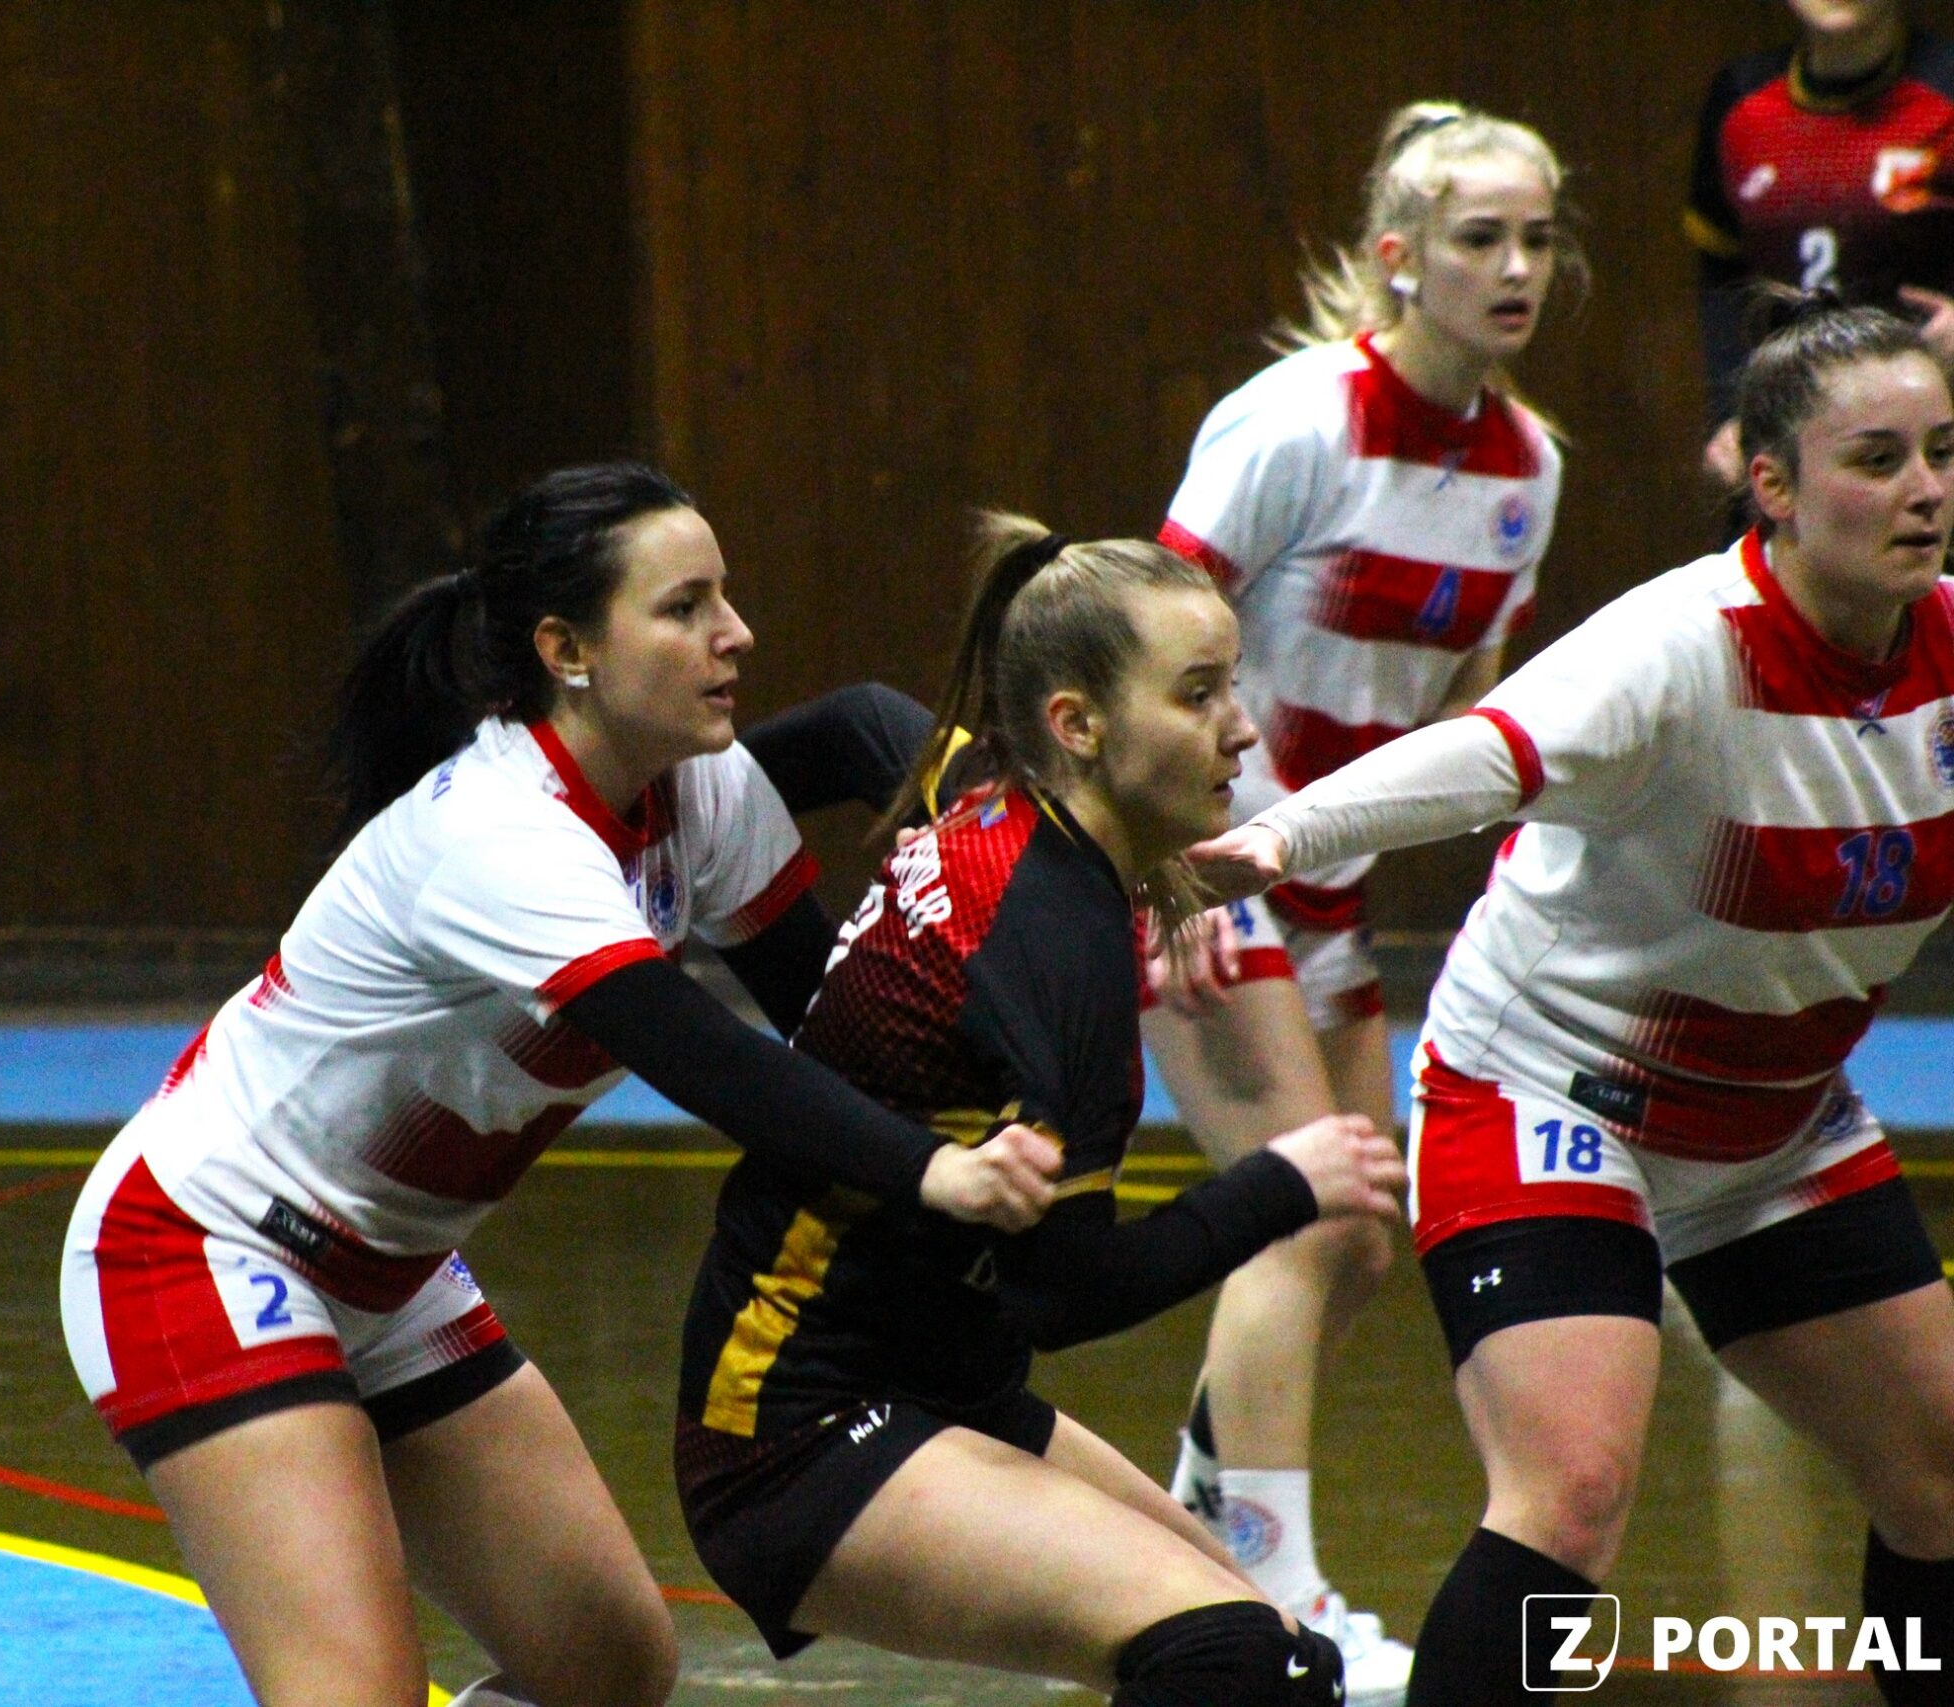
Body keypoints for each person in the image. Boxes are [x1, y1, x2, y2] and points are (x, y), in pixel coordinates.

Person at [56, 461, 1066, 1707]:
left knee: (605, 1669)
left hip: (386, 1273)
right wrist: (933, 1169)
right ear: (565, 650)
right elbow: (703, 1055)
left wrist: (1039, 875)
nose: (735, 633)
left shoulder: (697, 787)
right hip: (199, 1248)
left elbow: (833, 1021)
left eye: (724, 595)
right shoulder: (495, 834)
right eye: (684, 606)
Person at [1187, 294, 1954, 1704]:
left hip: (1774, 1124)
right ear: (1774, 486)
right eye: (1877, 458)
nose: (1923, 491)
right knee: (1574, 1494)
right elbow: (1482, 754)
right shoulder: (1684, 645)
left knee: (1942, 1474)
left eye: (1942, 454)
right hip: (1552, 1092)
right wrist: (1281, 836)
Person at [671, 515, 1408, 1704]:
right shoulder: (1057, 949)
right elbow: (1060, 1295)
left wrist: (658, 837)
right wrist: (1282, 1185)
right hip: (797, 1431)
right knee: (1233, 1655)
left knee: (1291, 1666)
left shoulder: (992, 794)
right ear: (1077, 724)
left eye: (1233, 684)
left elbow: (856, 721)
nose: (1241, 728)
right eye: (1198, 694)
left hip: (935, 1382)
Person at [1147, 98, 1573, 1697]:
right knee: (1302, 1210)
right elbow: (1140, 633)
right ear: (1400, 256)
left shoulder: (1528, 468)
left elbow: (1466, 712)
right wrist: (1161, 864)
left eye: (1538, 239)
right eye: (1480, 238)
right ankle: (1272, 1593)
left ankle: (1192, 1520)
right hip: (1204, 858)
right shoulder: (1297, 422)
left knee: (1363, 1237)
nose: (1515, 267)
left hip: (1327, 887)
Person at [1691, 0, 1954, 489]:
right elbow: (1722, 278)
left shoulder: (1945, 89)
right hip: (1795, 440)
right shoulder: (1741, 97)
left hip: (1930, 442)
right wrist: (1729, 415)